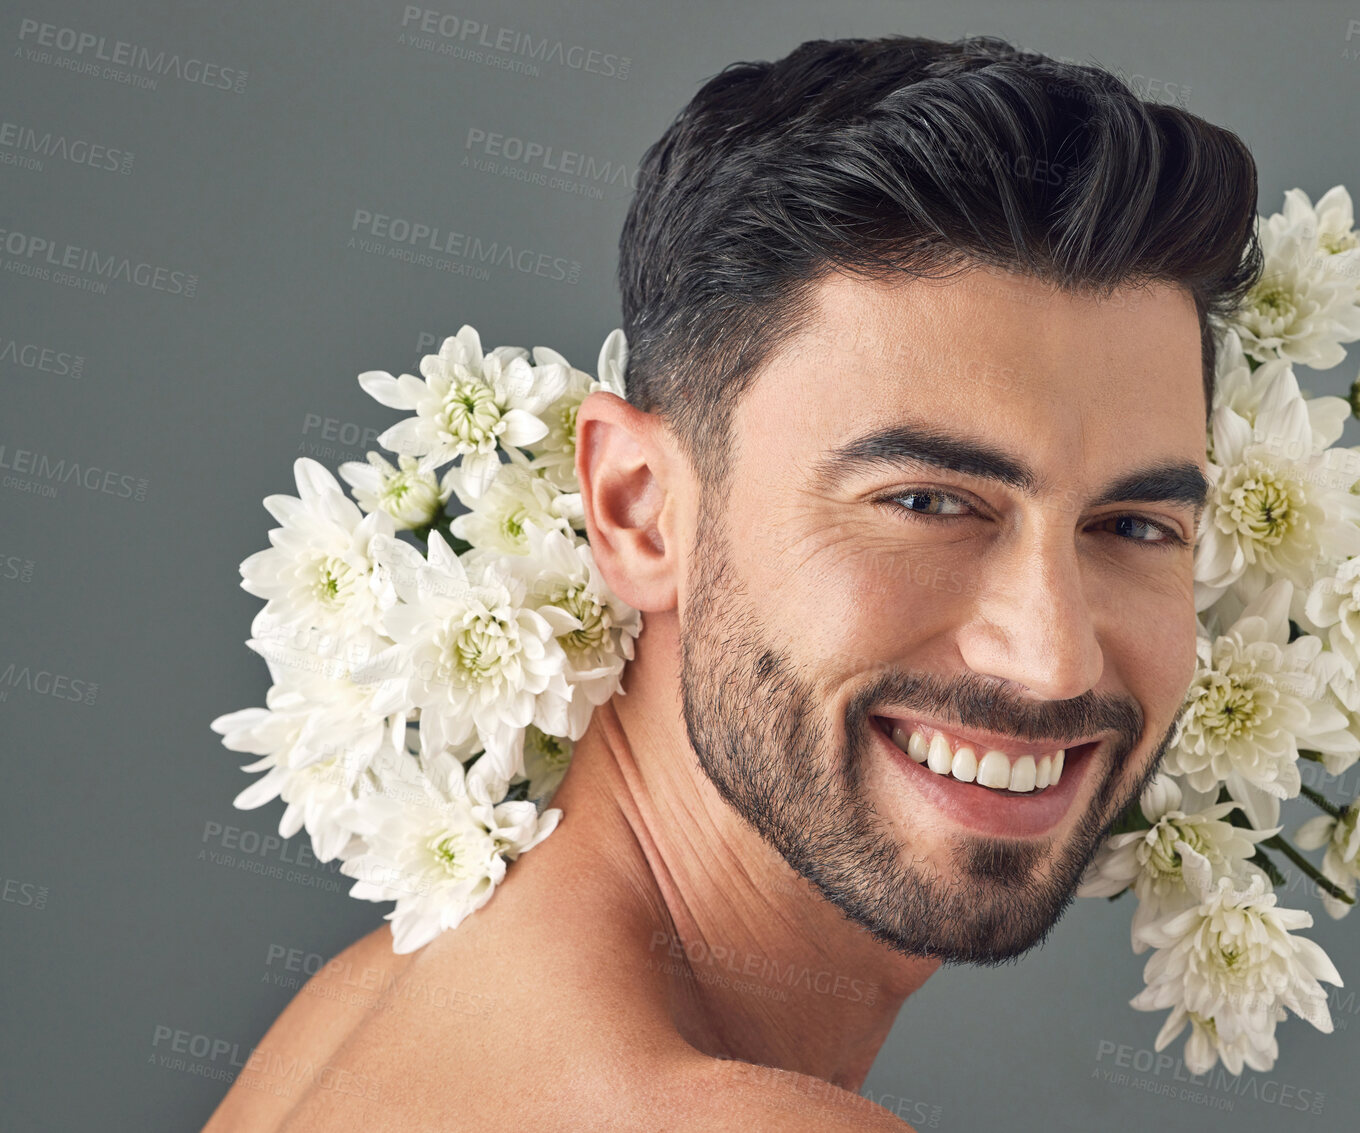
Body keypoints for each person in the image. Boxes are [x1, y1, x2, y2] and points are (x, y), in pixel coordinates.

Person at [204, 32, 1261, 1131]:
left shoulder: (376, 1001)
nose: (1054, 655)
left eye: (1134, 523)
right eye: (928, 502)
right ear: (638, 508)